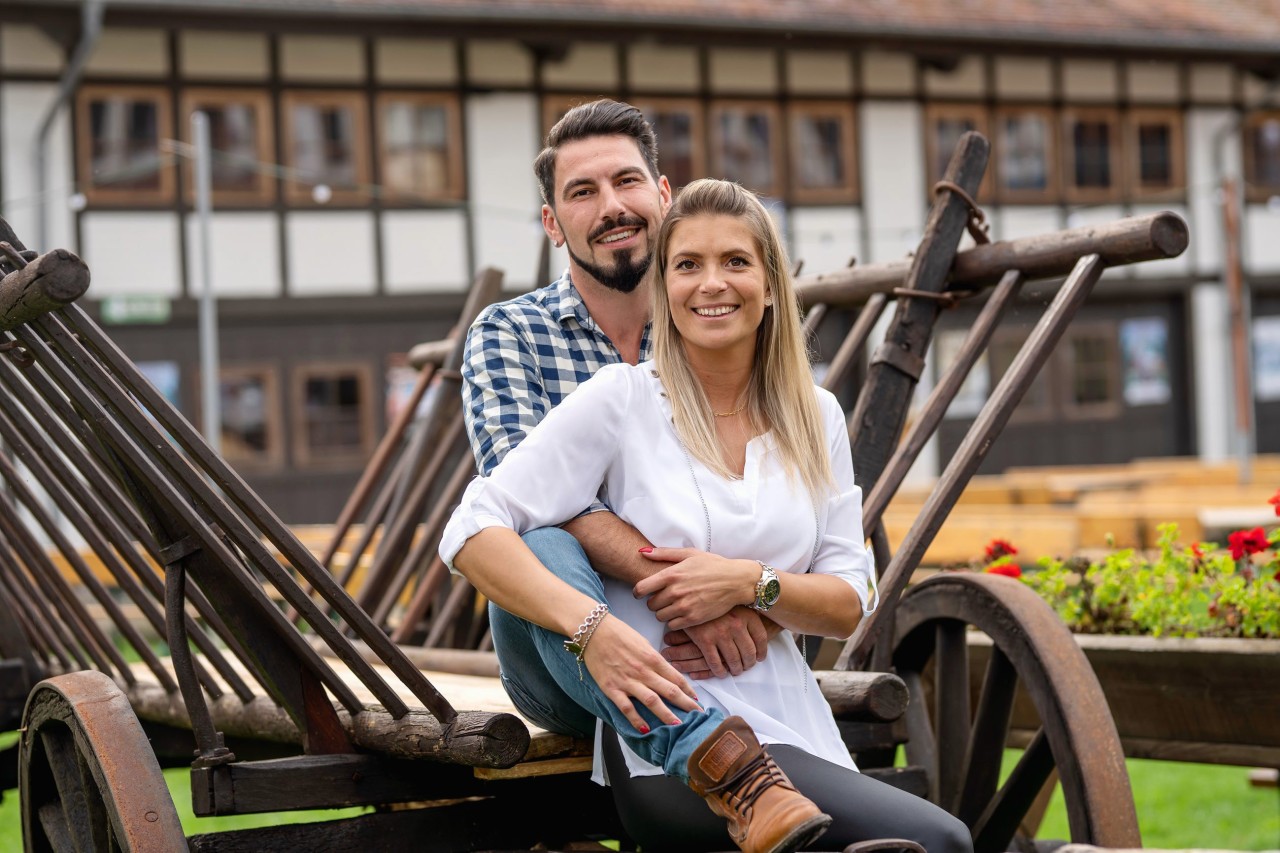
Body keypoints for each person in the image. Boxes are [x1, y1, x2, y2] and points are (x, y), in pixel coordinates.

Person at [443, 178, 973, 853]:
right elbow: (472, 525)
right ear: (664, 288)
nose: (710, 283)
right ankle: (724, 769)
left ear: (772, 284)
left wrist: (749, 583)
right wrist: (596, 630)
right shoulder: (622, 400)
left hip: (791, 721)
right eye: (687, 264)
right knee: (941, 841)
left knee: (940, 839)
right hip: (666, 740)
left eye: (735, 262)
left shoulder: (817, 417)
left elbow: (847, 599)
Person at [461, 99, 780, 714]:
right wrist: (687, 597)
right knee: (540, 535)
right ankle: (701, 744)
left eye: (627, 181)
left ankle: (706, 742)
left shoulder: (715, 321)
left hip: (721, 644)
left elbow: (778, 494)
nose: (611, 207)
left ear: (663, 194)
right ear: (553, 225)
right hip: (566, 653)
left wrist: (739, 603)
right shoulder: (509, 333)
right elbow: (519, 493)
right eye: (583, 192)